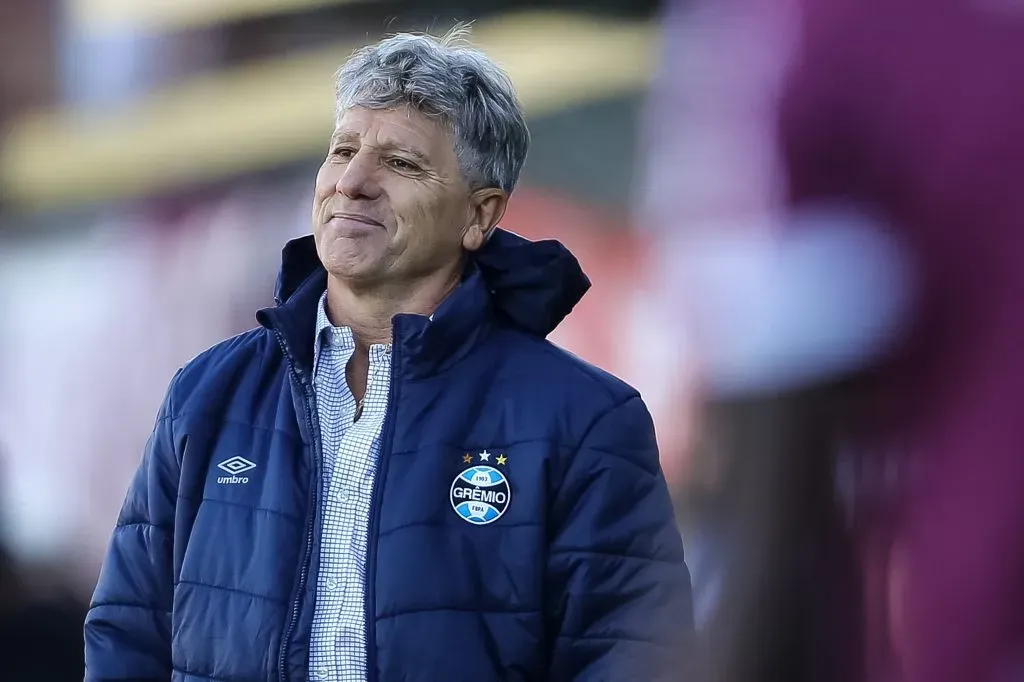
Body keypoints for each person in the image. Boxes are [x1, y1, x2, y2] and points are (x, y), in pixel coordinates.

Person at [84, 27, 693, 682]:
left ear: (479, 216)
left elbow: (636, 657)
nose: (352, 182)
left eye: (401, 164)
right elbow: (128, 634)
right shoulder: (206, 396)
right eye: (342, 150)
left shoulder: (586, 421)